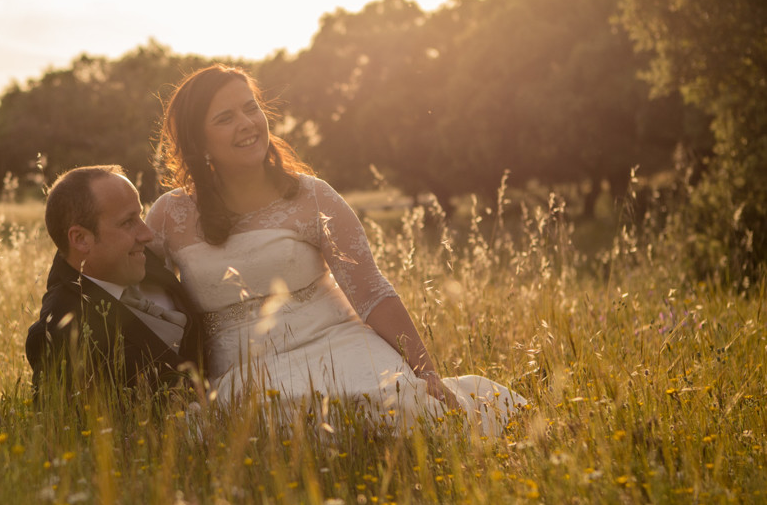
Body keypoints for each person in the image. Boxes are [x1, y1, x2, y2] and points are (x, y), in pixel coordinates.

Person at [144, 65, 526, 435]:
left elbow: (372, 293)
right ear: (198, 141)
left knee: (394, 405)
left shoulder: (312, 196)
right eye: (225, 117)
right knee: (280, 424)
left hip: (338, 343)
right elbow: (131, 293)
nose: (247, 123)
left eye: (251, 107)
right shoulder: (168, 216)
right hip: (245, 371)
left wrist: (426, 373)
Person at [26, 165, 203, 391]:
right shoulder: (58, 335)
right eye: (127, 222)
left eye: (139, 215)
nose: (148, 234)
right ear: (80, 239)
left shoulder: (137, 259)